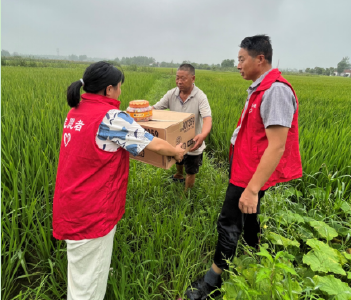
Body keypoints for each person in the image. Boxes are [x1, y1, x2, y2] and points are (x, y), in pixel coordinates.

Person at [52, 61, 185, 300]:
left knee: (81, 270)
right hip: (93, 212)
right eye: (119, 87)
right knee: (87, 291)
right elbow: (153, 144)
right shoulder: (110, 117)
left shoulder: (76, 110)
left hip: (72, 202)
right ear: (109, 89)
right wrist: (176, 152)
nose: (121, 92)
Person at [185, 35, 302, 300]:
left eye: (241, 59)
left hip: (249, 174)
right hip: (247, 167)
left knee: (228, 221)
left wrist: (251, 188)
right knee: (249, 213)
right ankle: (253, 248)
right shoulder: (260, 88)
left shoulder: (275, 91)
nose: (238, 65)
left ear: (259, 59)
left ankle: (212, 281)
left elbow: (277, 146)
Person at [153, 64, 212, 190]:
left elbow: (207, 118)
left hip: (193, 141)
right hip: (178, 138)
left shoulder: (200, 97)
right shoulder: (171, 94)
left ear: (193, 78)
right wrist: (140, 111)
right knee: (178, 159)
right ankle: (179, 174)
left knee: (191, 169)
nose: (179, 81)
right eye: (177, 78)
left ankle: (186, 195)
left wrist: (203, 135)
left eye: (183, 78)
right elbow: (155, 108)